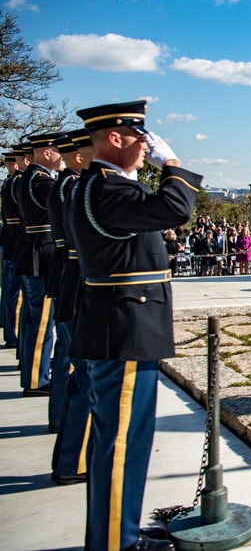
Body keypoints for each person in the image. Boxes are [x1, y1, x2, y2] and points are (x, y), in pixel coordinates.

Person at [67, 100, 201, 551]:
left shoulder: (98, 185)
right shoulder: (108, 190)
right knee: (122, 442)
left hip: (120, 321)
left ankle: (117, 531)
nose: (147, 148)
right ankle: (114, 543)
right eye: (140, 139)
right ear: (114, 138)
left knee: (121, 439)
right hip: (124, 327)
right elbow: (175, 208)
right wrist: (174, 165)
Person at [49, 129, 93, 484]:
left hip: (73, 282)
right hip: (81, 286)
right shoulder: (78, 188)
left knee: (80, 380)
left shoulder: (69, 186)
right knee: (87, 384)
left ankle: (69, 458)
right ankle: (73, 461)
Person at [16, 131, 64, 397]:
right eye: (59, 151)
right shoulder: (40, 181)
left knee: (37, 320)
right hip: (41, 255)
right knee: (42, 324)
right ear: (47, 153)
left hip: (35, 251)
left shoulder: (31, 178)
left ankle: (35, 371)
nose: (62, 157)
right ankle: (35, 379)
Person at [1, 149, 24, 349]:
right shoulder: (17, 182)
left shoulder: (11, 182)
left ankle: (11, 332)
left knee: (10, 290)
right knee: (16, 294)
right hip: (18, 241)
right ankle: (13, 334)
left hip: (12, 239)